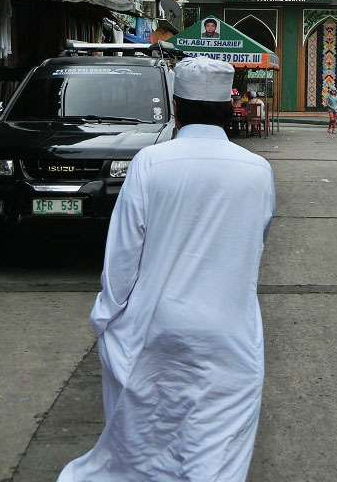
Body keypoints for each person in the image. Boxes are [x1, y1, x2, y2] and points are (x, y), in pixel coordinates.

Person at [57, 56, 276, 482]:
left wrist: (107, 319)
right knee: (216, 444)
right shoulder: (259, 172)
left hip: (155, 332)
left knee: (146, 440)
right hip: (229, 335)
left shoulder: (149, 164)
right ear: (229, 108)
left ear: (176, 106)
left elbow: (122, 258)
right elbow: (253, 246)